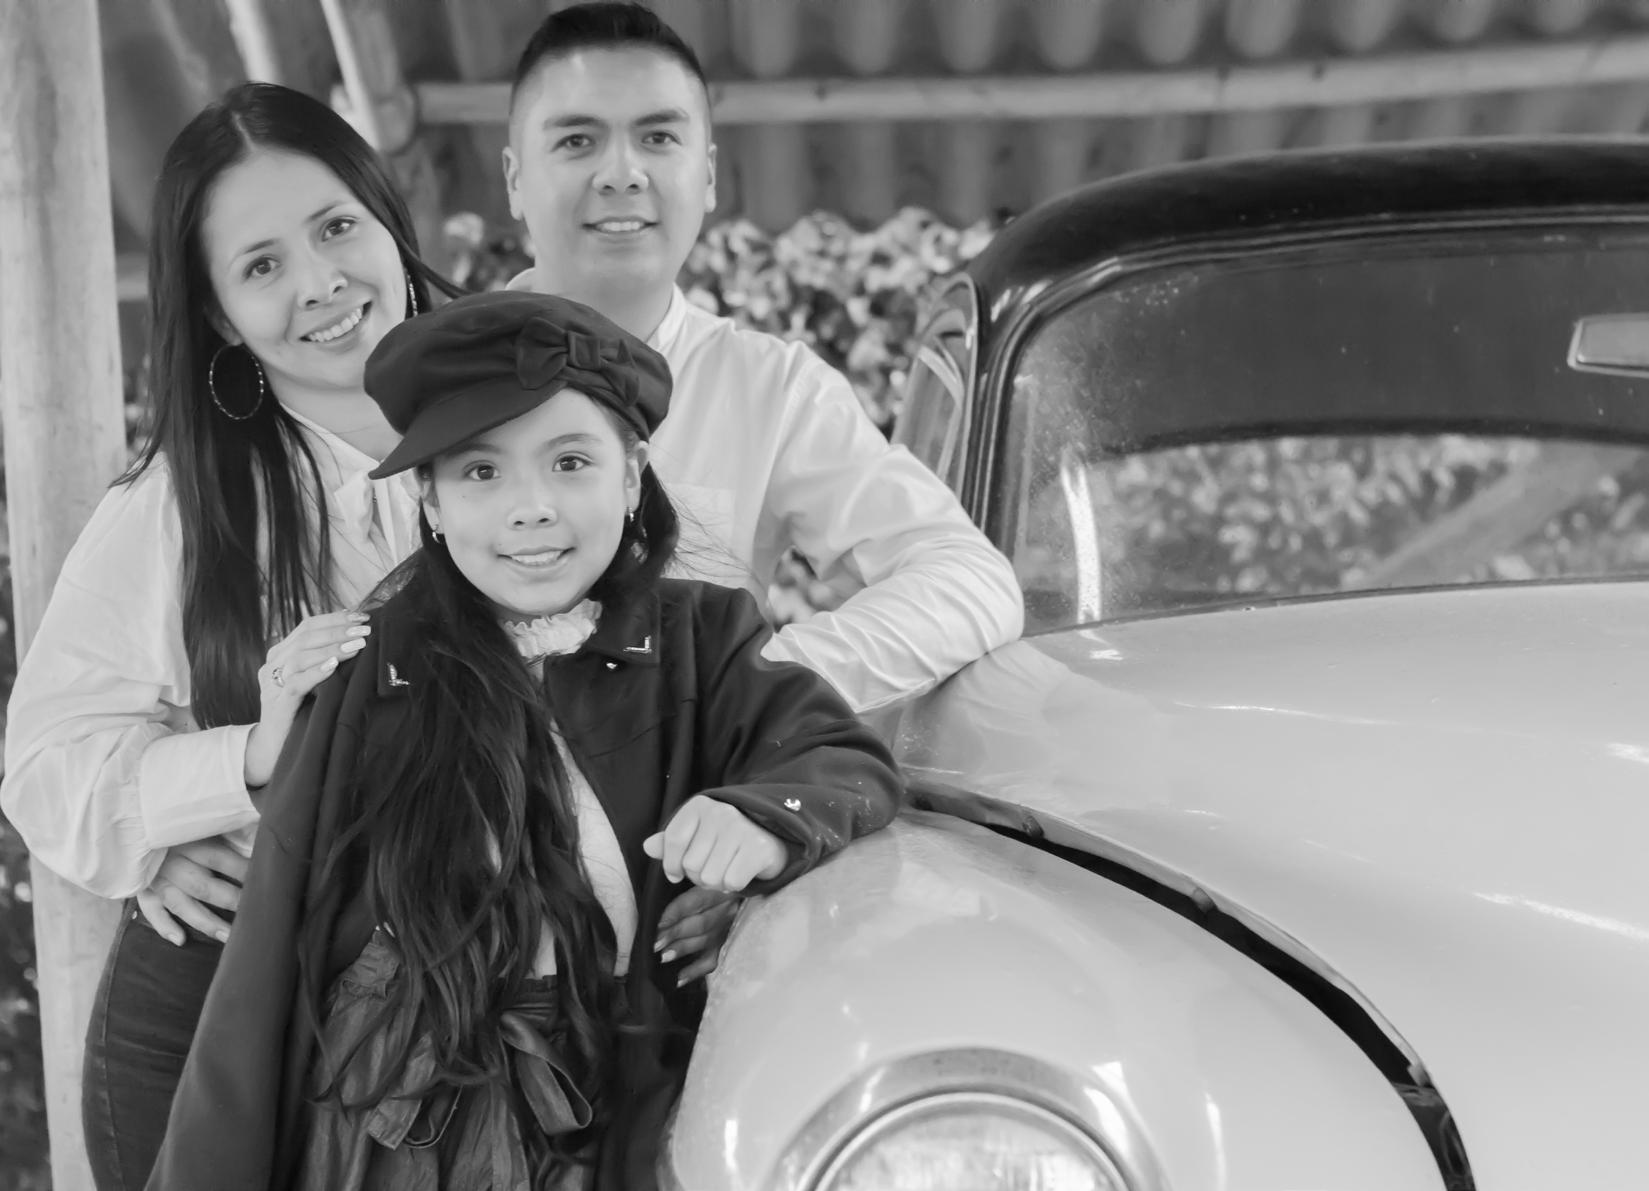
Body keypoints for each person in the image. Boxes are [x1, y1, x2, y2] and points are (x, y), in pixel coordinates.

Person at [0, 82, 712, 1191]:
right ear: (220, 315)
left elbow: (682, 657)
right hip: (236, 1030)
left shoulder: (546, 396)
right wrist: (232, 773)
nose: (320, 283)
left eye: (336, 227)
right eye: (261, 265)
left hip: (526, 1024)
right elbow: (46, 762)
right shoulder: (184, 505)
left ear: (387, 219)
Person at [146, 289, 904, 1191]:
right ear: (429, 500)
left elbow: (839, 756)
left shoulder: (705, 638)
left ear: (632, 476)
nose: (531, 507)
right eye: (481, 472)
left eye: (571, 462)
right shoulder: (366, 670)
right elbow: (272, 948)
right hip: (405, 1123)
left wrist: (764, 820)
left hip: (626, 1103)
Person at [501, 2, 1025, 715]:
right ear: (514, 179)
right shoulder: (413, 383)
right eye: (576, 141)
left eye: (658, 137)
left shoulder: (772, 389)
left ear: (708, 176)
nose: (622, 173)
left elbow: (968, 580)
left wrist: (749, 684)